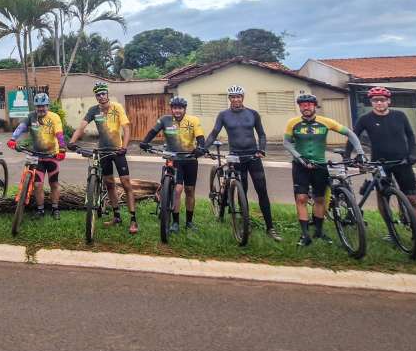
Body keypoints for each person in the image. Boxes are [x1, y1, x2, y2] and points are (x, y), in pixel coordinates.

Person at [283, 93, 365, 247]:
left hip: (320, 165)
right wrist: (300, 158)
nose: (306, 107)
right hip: (300, 166)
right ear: (300, 107)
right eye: (302, 105)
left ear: (314, 106)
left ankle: (319, 232)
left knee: (320, 199)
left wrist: (359, 152)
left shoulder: (325, 122)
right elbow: (286, 143)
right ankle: (305, 234)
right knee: (301, 198)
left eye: (309, 104)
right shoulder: (293, 123)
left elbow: (350, 133)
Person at [205, 85, 282, 241]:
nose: (236, 99)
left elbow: (261, 134)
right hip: (236, 157)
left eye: (238, 96)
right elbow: (214, 133)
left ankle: (270, 227)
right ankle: (244, 222)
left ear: (243, 97)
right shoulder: (223, 115)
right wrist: (203, 148)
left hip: (253, 156)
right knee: (242, 190)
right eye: (233, 97)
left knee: (262, 191)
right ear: (229, 99)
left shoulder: (253, 114)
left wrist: (261, 149)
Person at [68, 81, 138, 234]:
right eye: (98, 94)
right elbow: (81, 127)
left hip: (117, 151)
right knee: (110, 184)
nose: (101, 96)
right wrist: (72, 142)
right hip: (103, 152)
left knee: (126, 184)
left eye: (103, 93)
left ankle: (133, 220)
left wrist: (124, 147)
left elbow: (126, 128)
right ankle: (116, 216)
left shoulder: (117, 107)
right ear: (96, 96)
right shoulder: (93, 110)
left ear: (107, 94)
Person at [346, 87, 416, 217]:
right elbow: (353, 137)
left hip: (402, 162)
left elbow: (410, 135)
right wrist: (348, 156)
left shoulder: (400, 115)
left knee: (412, 198)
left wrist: (412, 153)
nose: (379, 103)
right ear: (371, 102)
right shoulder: (365, 119)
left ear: (388, 101)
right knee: (383, 198)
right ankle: (391, 231)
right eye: (375, 100)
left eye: (382, 100)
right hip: (380, 164)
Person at [140, 96, 205, 232]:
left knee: (190, 190)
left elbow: (200, 138)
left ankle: (189, 222)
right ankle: (175, 222)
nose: (177, 110)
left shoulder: (193, 120)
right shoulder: (165, 120)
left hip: (190, 159)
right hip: (174, 159)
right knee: (177, 190)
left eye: (180, 108)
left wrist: (200, 148)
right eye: (175, 108)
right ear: (172, 109)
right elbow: (153, 131)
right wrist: (145, 142)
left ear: (184, 109)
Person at [7, 92, 66, 220]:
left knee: (54, 183)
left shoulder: (54, 117)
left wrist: (62, 149)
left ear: (47, 106)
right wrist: (13, 139)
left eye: (43, 106)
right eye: (38, 106)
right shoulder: (31, 117)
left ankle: (55, 208)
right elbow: (21, 127)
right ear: (35, 106)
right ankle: (40, 210)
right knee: (38, 185)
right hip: (37, 157)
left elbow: (59, 133)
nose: (40, 108)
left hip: (52, 156)